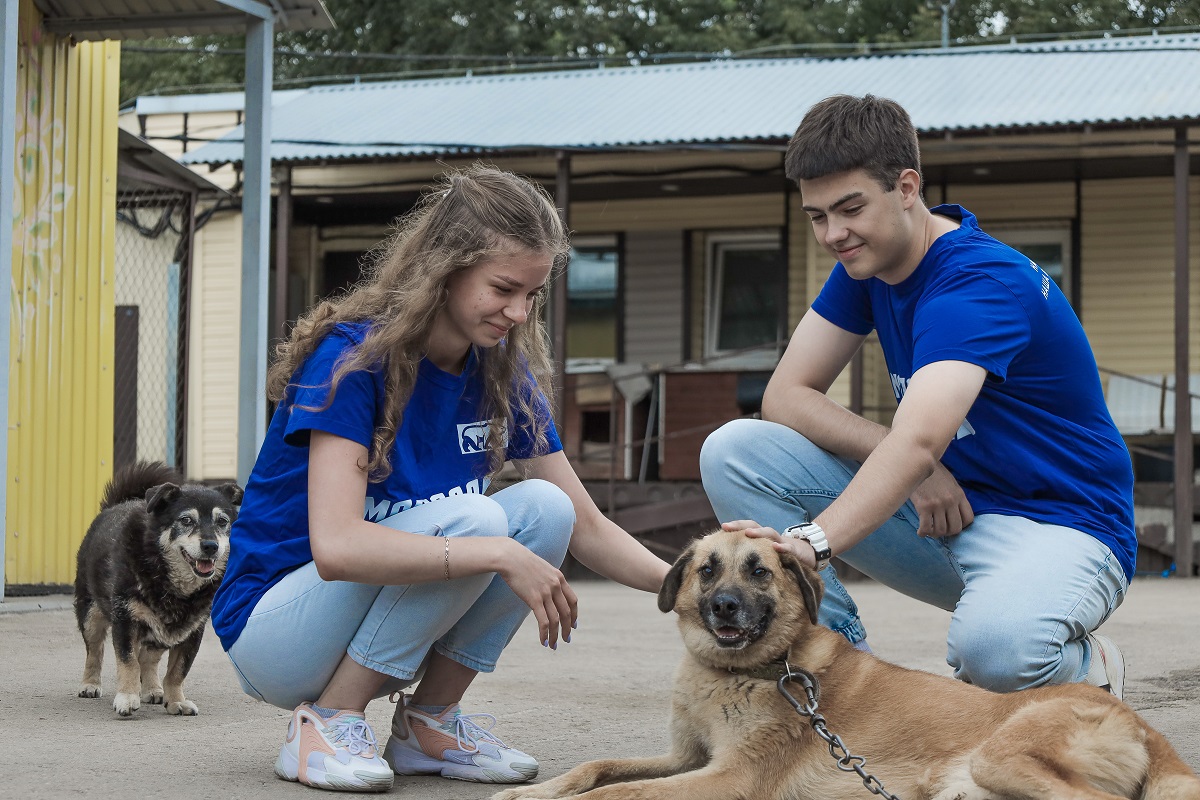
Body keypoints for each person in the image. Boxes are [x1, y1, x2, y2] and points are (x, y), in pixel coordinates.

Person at [210, 165, 670, 793]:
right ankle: (328, 721)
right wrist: (499, 552)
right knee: (484, 523)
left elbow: (585, 524)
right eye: (503, 288)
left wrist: (689, 584)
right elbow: (338, 547)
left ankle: (428, 723)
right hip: (277, 631)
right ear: (445, 269)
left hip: (369, 617)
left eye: (532, 295)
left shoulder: (501, 373)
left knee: (543, 508)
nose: (518, 311)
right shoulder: (353, 362)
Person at [700, 94, 1134, 698]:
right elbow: (786, 396)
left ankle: (1087, 674)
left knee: (999, 655)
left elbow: (924, 438)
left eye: (850, 208)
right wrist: (910, 462)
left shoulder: (978, 284)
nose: (834, 233)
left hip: (1060, 526)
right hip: (944, 517)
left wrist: (812, 543)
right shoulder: (867, 263)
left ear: (906, 187)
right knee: (735, 448)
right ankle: (837, 667)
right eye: (817, 216)